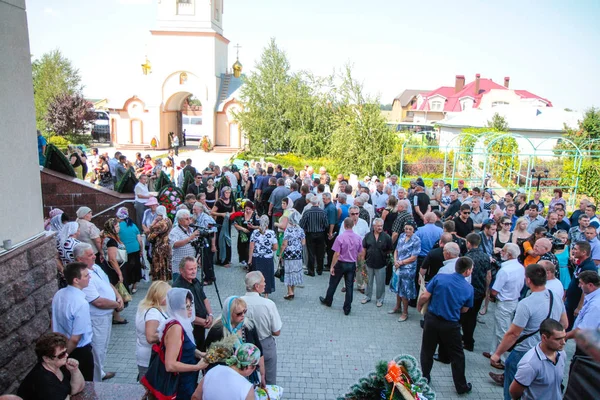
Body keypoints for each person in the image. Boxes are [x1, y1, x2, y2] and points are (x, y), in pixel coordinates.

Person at [488, 264, 568, 400]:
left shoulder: (526, 304)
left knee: (513, 385)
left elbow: (513, 334)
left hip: (525, 350)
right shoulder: (555, 297)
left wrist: (497, 354)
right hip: (548, 350)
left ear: (528, 280)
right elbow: (564, 324)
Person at [418, 257, 474, 394]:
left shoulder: (440, 278)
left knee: (427, 350)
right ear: (467, 271)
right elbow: (465, 310)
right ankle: (461, 386)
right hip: (451, 324)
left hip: (432, 320)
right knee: (457, 356)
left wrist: (420, 306)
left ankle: (424, 377)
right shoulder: (468, 288)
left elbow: (425, 296)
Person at [74, 243, 123, 383]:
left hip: (106, 316)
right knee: (97, 349)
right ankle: (96, 381)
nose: (94, 256)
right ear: (79, 259)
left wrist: (118, 295)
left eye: (92, 253)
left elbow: (108, 283)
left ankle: (100, 371)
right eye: (89, 255)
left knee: (104, 346)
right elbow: (97, 302)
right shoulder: (83, 276)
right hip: (97, 318)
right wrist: (116, 305)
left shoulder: (95, 267)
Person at [158, 288, 208, 399]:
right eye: (186, 307)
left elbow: (183, 347)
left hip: (187, 378)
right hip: (181, 381)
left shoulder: (182, 322)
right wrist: (197, 367)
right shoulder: (176, 328)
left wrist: (199, 353)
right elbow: (170, 365)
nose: (190, 310)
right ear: (176, 308)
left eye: (191, 305)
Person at [205, 296, 266, 386]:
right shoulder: (217, 331)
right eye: (238, 313)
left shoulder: (249, 325)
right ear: (229, 314)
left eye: (244, 311)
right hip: (226, 380)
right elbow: (209, 359)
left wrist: (262, 375)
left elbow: (259, 351)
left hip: (249, 375)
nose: (243, 315)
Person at [51, 262, 94, 381]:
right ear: (76, 280)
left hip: (61, 344)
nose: (89, 277)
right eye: (86, 276)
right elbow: (76, 338)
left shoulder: (59, 294)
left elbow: (53, 321)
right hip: (78, 351)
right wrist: (65, 355)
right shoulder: (81, 303)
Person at [483, 243, 525, 363]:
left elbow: (495, 290)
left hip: (504, 302)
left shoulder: (505, 270)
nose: (501, 253)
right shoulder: (520, 267)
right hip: (513, 300)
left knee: (502, 331)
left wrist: (491, 295)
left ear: (510, 255)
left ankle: (503, 359)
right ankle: (493, 351)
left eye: (503, 251)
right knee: (499, 326)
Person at [509, 318, 567, 400]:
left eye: (564, 337)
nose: (563, 342)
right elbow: (514, 392)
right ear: (544, 338)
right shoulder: (530, 364)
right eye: (558, 339)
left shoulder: (561, 354)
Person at [242, 271, 282, 385]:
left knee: (246, 380)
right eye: (263, 281)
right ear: (256, 286)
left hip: (245, 345)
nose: (265, 283)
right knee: (269, 382)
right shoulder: (268, 304)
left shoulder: (238, 302)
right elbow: (277, 331)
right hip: (265, 344)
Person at [17, 332, 85, 400]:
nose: (66, 355)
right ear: (47, 359)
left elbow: (76, 389)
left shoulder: (59, 365)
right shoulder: (44, 381)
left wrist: (74, 370)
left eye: (66, 351)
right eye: (62, 354)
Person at [319, 217, 364, 316]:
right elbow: (360, 253)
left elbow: (336, 254)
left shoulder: (340, 237)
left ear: (344, 225)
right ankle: (347, 307)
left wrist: (332, 266)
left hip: (341, 263)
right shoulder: (358, 238)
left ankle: (328, 300)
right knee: (349, 286)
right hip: (351, 264)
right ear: (353, 225)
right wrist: (358, 265)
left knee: (333, 283)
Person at [173, 257, 214, 352]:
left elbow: (204, 298)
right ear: (181, 270)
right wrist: (205, 322)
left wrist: (210, 315)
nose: (194, 271)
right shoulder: (178, 288)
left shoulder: (195, 280)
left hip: (201, 325)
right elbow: (183, 314)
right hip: (190, 328)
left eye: (195, 268)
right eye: (190, 269)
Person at [461, 233, 492, 352]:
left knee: (465, 317)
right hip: (480, 291)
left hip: (468, 291)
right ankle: (467, 339)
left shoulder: (467, 258)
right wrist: (486, 290)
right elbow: (488, 275)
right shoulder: (485, 256)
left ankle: (468, 341)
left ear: (468, 243)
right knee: (472, 317)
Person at [135, 280, 170, 379]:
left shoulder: (144, 306)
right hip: (150, 357)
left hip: (143, 354)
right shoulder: (153, 312)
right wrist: (169, 335)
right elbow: (150, 337)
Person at [390, 222, 421, 322]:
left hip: (408, 268)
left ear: (413, 230)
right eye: (406, 228)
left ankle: (405, 312)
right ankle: (397, 307)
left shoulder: (416, 239)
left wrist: (401, 262)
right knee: (397, 286)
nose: (407, 231)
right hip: (398, 265)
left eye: (410, 229)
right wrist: (395, 261)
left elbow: (414, 257)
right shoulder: (402, 236)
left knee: (404, 290)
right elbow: (396, 250)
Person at [565, 241, 597, 330]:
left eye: (575, 249)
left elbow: (586, 289)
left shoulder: (588, 267)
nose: (573, 251)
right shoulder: (581, 263)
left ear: (584, 252)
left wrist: (579, 307)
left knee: (574, 329)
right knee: (566, 326)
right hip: (571, 300)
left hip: (576, 303)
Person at [361, 218, 393, 308]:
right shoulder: (368, 236)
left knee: (380, 283)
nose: (380, 227)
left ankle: (380, 299)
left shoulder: (387, 237)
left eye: (381, 226)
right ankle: (367, 296)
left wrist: (385, 258)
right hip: (369, 263)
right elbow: (364, 248)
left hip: (381, 264)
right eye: (378, 226)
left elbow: (390, 249)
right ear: (373, 226)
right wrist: (363, 260)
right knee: (368, 281)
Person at [248, 215, 278, 297]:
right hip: (267, 258)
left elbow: (251, 246)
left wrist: (249, 259)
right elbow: (275, 247)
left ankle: (257, 292)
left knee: (257, 276)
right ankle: (266, 294)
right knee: (267, 276)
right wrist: (269, 248)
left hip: (257, 257)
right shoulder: (271, 233)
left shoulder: (255, 233)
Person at [101, 219, 129, 306]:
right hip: (115, 268)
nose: (118, 228)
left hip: (115, 266)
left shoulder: (109, 237)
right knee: (117, 289)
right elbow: (112, 259)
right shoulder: (111, 240)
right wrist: (119, 273)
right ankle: (117, 310)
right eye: (116, 226)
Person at [116, 207, 144, 293]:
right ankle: (134, 286)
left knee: (125, 268)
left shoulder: (117, 227)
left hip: (124, 251)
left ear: (118, 217)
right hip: (135, 249)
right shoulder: (133, 225)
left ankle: (126, 284)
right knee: (135, 267)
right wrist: (141, 250)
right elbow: (139, 240)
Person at [278, 210, 305, 299]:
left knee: (289, 272)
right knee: (295, 272)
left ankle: (289, 292)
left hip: (289, 254)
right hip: (297, 254)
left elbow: (284, 244)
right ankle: (292, 290)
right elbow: (303, 242)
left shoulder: (288, 230)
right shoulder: (300, 230)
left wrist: (281, 254)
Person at [299, 196, 328, 276]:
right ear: (318, 203)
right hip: (320, 233)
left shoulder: (307, 212)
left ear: (311, 203)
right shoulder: (323, 212)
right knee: (320, 252)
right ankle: (319, 269)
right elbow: (326, 224)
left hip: (310, 233)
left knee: (311, 252)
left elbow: (302, 224)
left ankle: (311, 271)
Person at [169, 209, 199, 282]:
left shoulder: (191, 229)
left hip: (190, 264)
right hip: (179, 265)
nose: (189, 220)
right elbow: (175, 244)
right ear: (179, 220)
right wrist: (190, 238)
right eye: (186, 219)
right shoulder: (175, 231)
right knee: (179, 289)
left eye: (190, 218)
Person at [147, 205, 173, 281]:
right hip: (167, 245)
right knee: (166, 263)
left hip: (159, 247)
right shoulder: (168, 220)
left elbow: (150, 236)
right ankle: (166, 280)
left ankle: (161, 281)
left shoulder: (160, 223)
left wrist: (153, 222)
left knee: (159, 265)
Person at [212, 186, 235, 267]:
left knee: (228, 240)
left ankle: (227, 259)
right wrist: (221, 214)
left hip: (228, 223)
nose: (228, 194)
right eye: (226, 192)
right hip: (220, 223)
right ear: (223, 193)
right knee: (221, 241)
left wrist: (229, 215)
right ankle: (221, 260)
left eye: (229, 193)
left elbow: (233, 211)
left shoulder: (231, 201)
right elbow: (212, 212)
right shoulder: (219, 202)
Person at [233, 201, 259, 269]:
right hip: (242, 234)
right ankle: (244, 261)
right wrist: (242, 229)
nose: (248, 211)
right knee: (242, 248)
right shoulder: (241, 215)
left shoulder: (255, 215)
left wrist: (252, 227)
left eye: (249, 209)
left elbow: (259, 226)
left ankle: (249, 263)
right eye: (246, 209)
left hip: (251, 234)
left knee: (249, 249)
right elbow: (235, 224)